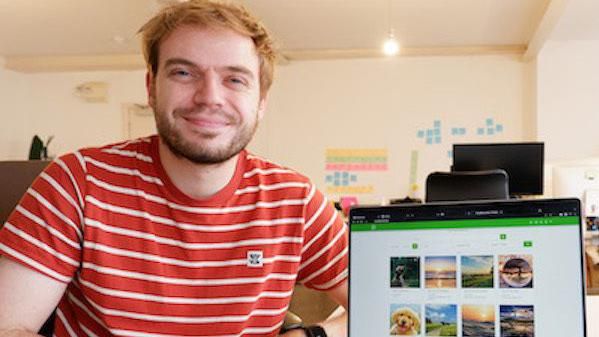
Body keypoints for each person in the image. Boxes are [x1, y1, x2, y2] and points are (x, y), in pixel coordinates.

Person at [0, 1, 348, 336]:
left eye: (235, 79)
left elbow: (394, 305)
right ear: (151, 87)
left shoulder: (295, 202)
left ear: (261, 102)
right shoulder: (78, 182)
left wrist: (313, 335)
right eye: (184, 72)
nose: (209, 96)